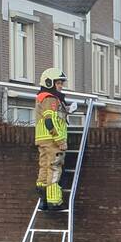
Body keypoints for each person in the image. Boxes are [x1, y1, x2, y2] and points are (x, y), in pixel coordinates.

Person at [33, 68, 76, 210]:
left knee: (44, 168)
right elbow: (50, 120)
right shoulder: (50, 98)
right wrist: (60, 141)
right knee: (54, 168)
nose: (61, 86)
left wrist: (67, 109)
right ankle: (54, 202)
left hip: (43, 139)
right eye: (58, 83)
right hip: (52, 140)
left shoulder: (42, 97)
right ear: (49, 83)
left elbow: (54, 115)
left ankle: (43, 201)